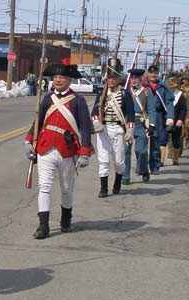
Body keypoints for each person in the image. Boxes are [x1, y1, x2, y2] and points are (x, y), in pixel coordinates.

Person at [24, 59, 92, 239]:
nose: (58, 80)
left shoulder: (78, 101)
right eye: (55, 77)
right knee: (44, 186)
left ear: (69, 80)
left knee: (66, 188)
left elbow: (85, 127)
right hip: (45, 147)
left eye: (61, 77)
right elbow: (38, 121)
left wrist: (84, 152)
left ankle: (66, 220)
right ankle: (43, 226)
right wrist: (29, 140)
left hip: (67, 150)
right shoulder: (47, 98)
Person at [91, 58, 135, 197]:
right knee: (103, 160)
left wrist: (130, 130)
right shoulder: (101, 94)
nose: (111, 80)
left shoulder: (125, 94)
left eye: (114, 78)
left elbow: (131, 115)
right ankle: (103, 188)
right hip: (103, 130)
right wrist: (96, 122)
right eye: (109, 78)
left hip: (118, 130)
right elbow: (94, 113)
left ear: (118, 79)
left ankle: (117, 182)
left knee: (119, 161)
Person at [122, 68, 156, 185]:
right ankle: (125, 176)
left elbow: (151, 109)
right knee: (126, 151)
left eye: (136, 78)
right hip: (128, 124)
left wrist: (152, 124)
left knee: (141, 151)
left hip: (141, 123)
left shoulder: (147, 92)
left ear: (141, 79)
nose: (133, 80)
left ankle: (144, 170)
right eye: (132, 78)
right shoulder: (126, 92)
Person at [146, 65, 175, 174]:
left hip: (158, 115)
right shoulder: (143, 86)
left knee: (156, 141)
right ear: (148, 74)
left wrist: (170, 117)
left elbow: (169, 102)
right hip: (145, 115)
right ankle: (142, 167)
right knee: (143, 142)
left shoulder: (163, 87)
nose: (153, 75)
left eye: (155, 73)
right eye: (151, 73)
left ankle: (155, 166)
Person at [161, 75, 187, 165]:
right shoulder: (163, 95)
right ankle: (161, 159)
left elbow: (183, 109)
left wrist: (180, 119)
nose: (171, 89)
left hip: (176, 121)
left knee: (176, 141)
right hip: (165, 121)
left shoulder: (180, 95)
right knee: (163, 140)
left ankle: (175, 158)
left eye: (172, 87)